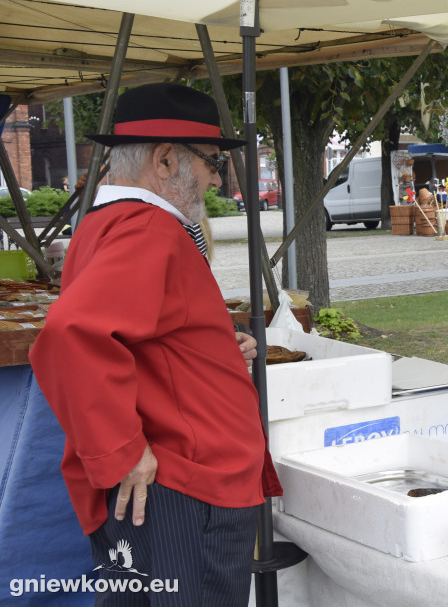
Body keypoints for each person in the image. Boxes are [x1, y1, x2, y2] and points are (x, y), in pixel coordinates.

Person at [29, 82, 282, 605]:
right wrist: (124, 451)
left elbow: (139, 334)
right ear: (166, 159)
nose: (216, 178)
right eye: (212, 161)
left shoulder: (109, 222)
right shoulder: (148, 228)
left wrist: (208, 350)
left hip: (176, 484)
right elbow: (71, 334)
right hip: (184, 491)